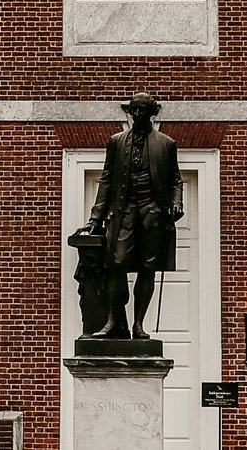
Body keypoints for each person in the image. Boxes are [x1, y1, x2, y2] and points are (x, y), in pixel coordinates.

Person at [84, 92, 183, 338]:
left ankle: (139, 324)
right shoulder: (116, 142)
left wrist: (176, 202)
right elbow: (106, 180)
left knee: (148, 268)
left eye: (141, 110)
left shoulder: (166, 143)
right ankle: (112, 321)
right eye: (133, 110)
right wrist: (95, 218)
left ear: (152, 113)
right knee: (116, 264)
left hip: (152, 213)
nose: (136, 115)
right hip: (124, 212)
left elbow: (176, 181)